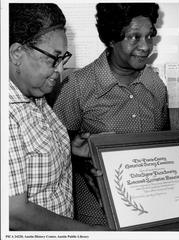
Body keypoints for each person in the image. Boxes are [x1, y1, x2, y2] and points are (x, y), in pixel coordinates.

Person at [53, 3, 170, 226]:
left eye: (150, 36)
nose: (145, 46)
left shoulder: (156, 85)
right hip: (97, 214)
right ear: (112, 40)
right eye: (134, 37)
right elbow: (56, 149)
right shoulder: (78, 86)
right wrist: (81, 164)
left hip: (151, 211)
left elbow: (165, 143)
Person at [9, 3, 109, 230]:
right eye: (53, 59)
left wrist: (68, 148)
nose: (60, 70)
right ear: (17, 53)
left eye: (63, 59)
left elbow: (32, 155)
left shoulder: (36, 94)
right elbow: (14, 212)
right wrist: (89, 234)